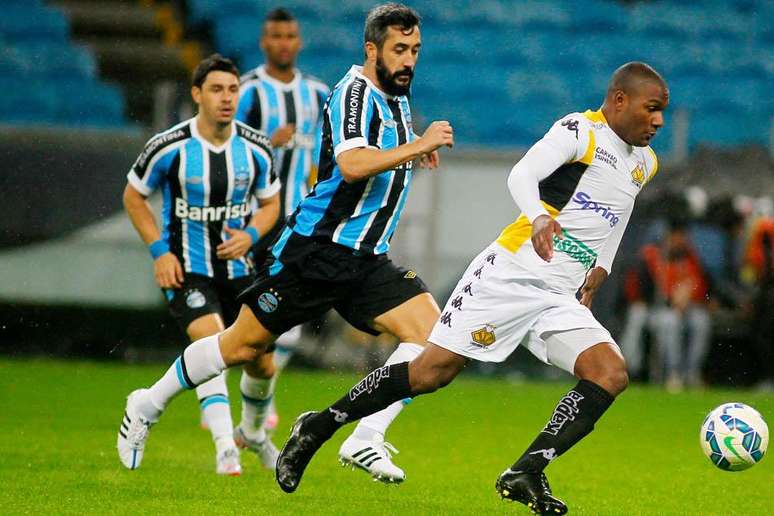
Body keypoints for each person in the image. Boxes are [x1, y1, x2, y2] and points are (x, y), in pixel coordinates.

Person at [276, 62, 669, 515]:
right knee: (431, 373)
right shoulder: (580, 131)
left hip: (560, 294)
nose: (658, 120)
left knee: (609, 373)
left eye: (662, 112)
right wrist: (540, 216)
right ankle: (318, 427)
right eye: (652, 109)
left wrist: (601, 264)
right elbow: (520, 175)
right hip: (511, 274)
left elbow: (619, 213)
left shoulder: (645, 162)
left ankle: (526, 471)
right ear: (620, 100)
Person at [116, 2, 453, 483]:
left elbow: (382, 149)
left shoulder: (396, 92)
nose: (409, 60)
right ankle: (146, 403)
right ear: (372, 48)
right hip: (315, 253)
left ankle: (365, 438)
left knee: (434, 341)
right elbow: (353, 164)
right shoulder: (352, 92)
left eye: (416, 49)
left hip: (366, 259)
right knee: (241, 348)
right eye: (400, 49)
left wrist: (411, 145)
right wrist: (418, 147)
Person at [117, 54, 280, 475]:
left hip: (241, 270)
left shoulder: (256, 148)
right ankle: (225, 446)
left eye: (232, 89)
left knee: (261, 361)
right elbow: (134, 197)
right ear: (197, 94)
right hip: (187, 268)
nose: (226, 98)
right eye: (216, 89)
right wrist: (160, 252)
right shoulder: (169, 145)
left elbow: (271, 203)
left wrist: (252, 234)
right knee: (210, 341)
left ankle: (252, 433)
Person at [233, 8, 330, 444]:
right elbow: (226, 149)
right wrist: (264, 145)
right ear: (263, 42)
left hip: (302, 222)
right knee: (247, 318)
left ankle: (259, 403)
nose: (284, 43)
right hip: (251, 220)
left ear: (299, 41)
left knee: (287, 312)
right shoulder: (249, 92)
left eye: (291, 35)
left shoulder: (319, 93)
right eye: (276, 36)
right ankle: (229, 404)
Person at [620, 222, 711, 390]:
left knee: (701, 321)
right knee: (670, 321)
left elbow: (704, 287)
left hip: (687, 308)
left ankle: (692, 372)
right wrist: (672, 299)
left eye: (682, 236)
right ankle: (672, 373)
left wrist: (689, 296)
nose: (679, 240)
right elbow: (641, 293)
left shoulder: (690, 258)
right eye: (675, 236)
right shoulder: (651, 257)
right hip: (657, 310)